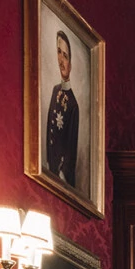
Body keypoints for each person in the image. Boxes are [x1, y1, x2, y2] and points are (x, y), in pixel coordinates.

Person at [44, 29, 80, 187]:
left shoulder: (73, 105)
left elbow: (71, 153)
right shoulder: (55, 90)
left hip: (60, 177)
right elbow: (49, 128)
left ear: (70, 64)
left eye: (65, 56)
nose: (61, 60)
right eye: (59, 52)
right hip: (50, 168)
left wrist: (60, 175)